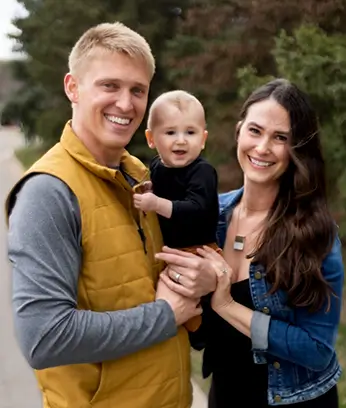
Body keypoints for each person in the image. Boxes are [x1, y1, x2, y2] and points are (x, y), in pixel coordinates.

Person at [5, 22, 215, 408]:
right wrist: (166, 314)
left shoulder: (139, 175)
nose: (126, 103)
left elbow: (154, 277)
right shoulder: (48, 193)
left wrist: (203, 277)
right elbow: (44, 338)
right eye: (110, 86)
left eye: (138, 90)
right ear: (73, 87)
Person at [154, 79, 344, 407]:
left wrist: (226, 303)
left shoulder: (316, 233)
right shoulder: (210, 216)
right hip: (226, 395)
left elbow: (317, 350)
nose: (262, 148)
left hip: (295, 400)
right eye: (255, 131)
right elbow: (200, 334)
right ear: (239, 131)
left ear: (297, 149)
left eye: (280, 138)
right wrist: (193, 289)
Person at [133, 90, 220, 331]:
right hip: (170, 248)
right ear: (152, 139)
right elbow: (165, 190)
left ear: (202, 139)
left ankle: (200, 330)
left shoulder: (202, 172)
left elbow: (197, 209)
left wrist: (157, 203)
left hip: (196, 250)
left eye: (190, 132)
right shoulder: (157, 166)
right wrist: (152, 189)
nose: (181, 140)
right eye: (170, 132)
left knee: (170, 296)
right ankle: (193, 328)